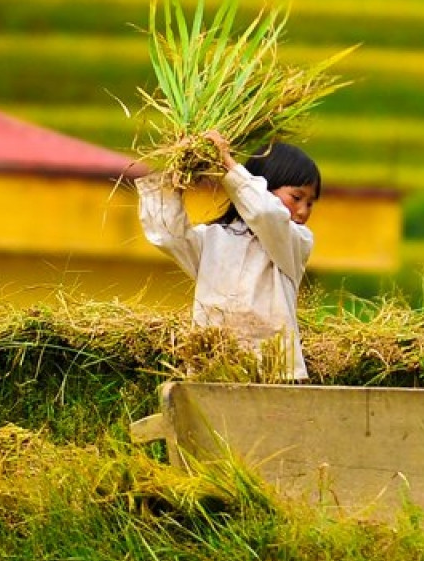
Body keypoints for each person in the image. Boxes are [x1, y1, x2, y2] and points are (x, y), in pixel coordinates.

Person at [136, 129, 320, 381]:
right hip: (212, 368)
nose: (303, 211)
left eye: (310, 203)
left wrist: (226, 162)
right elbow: (167, 234)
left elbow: (265, 214)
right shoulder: (213, 239)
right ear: (262, 184)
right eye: (297, 197)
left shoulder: (295, 242)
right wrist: (173, 175)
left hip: (273, 372)